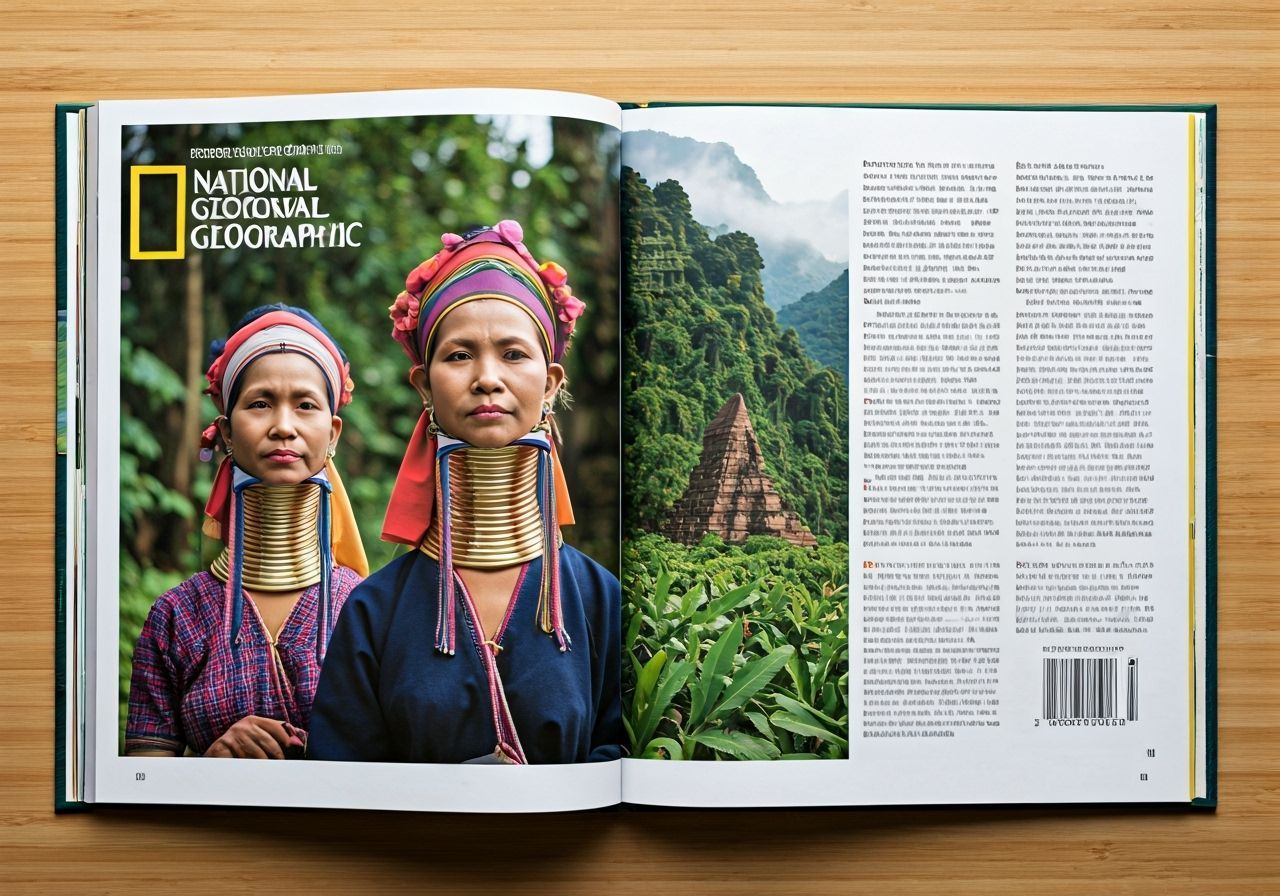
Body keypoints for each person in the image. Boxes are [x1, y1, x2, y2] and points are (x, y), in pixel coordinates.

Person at [307, 220, 621, 764]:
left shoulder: (602, 600)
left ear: (550, 384)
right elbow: (340, 790)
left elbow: (623, 756)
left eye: (514, 354)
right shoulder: (372, 612)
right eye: (458, 356)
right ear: (424, 384)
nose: (487, 378)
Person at [125, 304, 368, 759]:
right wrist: (210, 762)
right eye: (259, 404)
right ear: (226, 433)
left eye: (306, 405)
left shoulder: (368, 609)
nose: (283, 426)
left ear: (332, 432)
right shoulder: (176, 618)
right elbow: (143, 778)